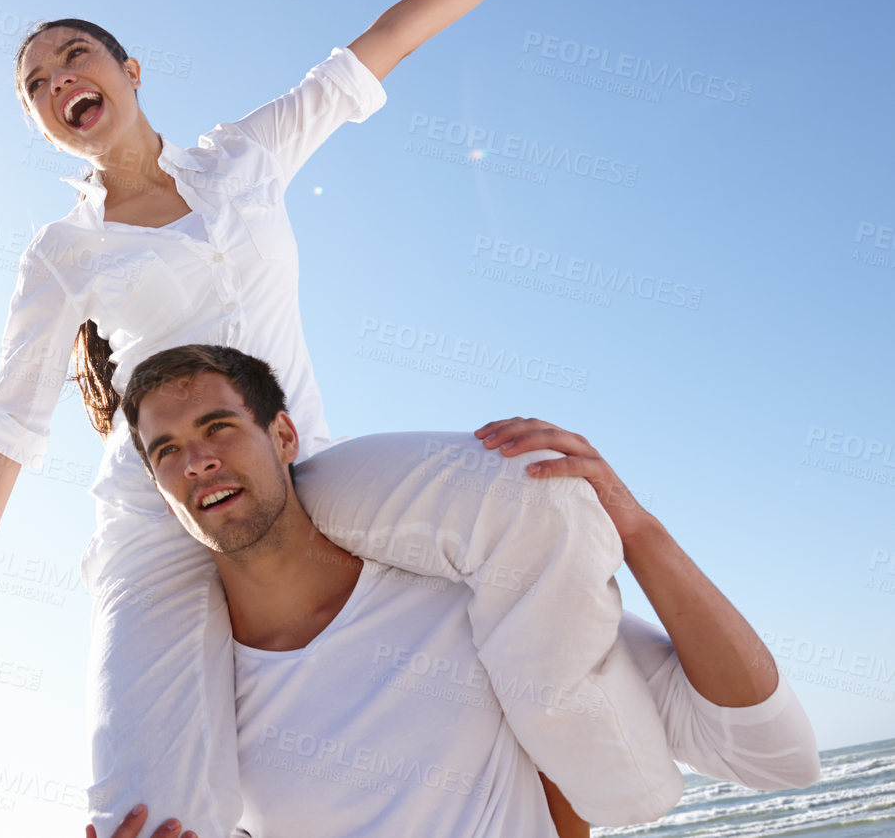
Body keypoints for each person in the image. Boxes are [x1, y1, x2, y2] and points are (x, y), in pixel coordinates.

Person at [0, 0, 684, 831]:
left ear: (128, 70)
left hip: (308, 481)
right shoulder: (62, 251)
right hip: (154, 524)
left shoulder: (245, 156)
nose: (58, 77)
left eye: (74, 54)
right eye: (36, 83)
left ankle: (643, 735)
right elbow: (6, 433)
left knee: (506, 534)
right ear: (45, 129)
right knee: (145, 811)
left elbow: (387, 39)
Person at [96, 344, 819, 837]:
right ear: (161, 494)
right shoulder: (193, 702)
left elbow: (766, 751)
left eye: (218, 426)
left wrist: (636, 527)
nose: (197, 460)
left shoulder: (464, 589)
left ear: (283, 436)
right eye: (167, 452)